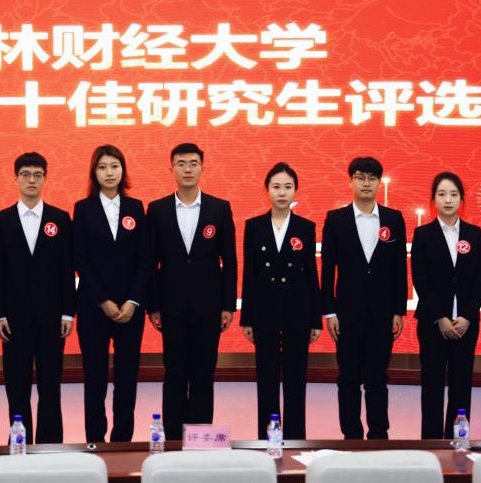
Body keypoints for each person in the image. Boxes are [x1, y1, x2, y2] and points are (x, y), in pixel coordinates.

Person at [146, 142, 237, 440]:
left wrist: (228, 305)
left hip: (208, 306)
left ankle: (200, 440)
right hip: (171, 306)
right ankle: (173, 439)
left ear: (202, 168)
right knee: (174, 373)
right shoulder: (157, 209)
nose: (187, 169)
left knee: (203, 374)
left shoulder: (219, 208)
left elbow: (229, 260)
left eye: (193, 163)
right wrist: (153, 305)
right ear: (171, 168)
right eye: (181, 163)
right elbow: (150, 262)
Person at [0, 152, 75, 443]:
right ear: (15, 178)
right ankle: (20, 444)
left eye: (38, 175)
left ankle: (50, 445)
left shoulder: (59, 219)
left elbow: (66, 269)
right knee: (17, 386)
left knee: (51, 386)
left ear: (45, 179)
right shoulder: (1, 221)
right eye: (25, 174)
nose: (31, 180)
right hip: (13, 320)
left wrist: (68, 312)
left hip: (52, 319)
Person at [321, 156, 407, 439]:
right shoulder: (336, 220)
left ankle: (379, 435)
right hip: (346, 314)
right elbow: (328, 270)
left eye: (371, 178)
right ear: (351, 182)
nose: (366, 183)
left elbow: (399, 269)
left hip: (382, 314)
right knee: (347, 378)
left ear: (379, 183)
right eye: (360, 177)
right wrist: (330, 312)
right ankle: (351, 436)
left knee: (377, 378)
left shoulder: (393, 219)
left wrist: (398, 310)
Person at [73, 145, 150, 442]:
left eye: (114, 166)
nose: (109, 173)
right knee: (94, 377)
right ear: (94, 172)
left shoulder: (136, 208)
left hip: (130, 309)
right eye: (102, 167)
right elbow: (80, 259)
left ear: (123, 171)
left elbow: (145, 258)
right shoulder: (83, 209)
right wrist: (102, 300)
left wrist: (132, 301)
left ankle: (122, 440)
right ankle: (95, 438)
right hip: (94, 307)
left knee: (126, 377)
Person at [240, 162, 321, 439]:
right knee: (267, 380)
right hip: (264, 313)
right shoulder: (254, 226)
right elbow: (249, 274)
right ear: (267, 190)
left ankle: (296, 439)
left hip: (298, 312)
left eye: (288, 187)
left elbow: (311, 274)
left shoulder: (305, 227)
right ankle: (267, 440)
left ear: (295, 190)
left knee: (296, 382)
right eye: (276, 187)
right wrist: (247, 318)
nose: (282, 192)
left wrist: (315, 319)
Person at [411, 172, 481, 439]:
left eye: (453, 194)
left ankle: (458, 441)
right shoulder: (423, 234)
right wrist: (440, 318)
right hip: (433, 325)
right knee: (431, 387)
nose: (448, 200)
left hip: (466, 326)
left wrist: (467, 316)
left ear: (461, 199)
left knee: (461, 386)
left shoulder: (474, 234)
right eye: (442, 194)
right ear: (433, 199)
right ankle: (431, 444)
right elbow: (420, 280)